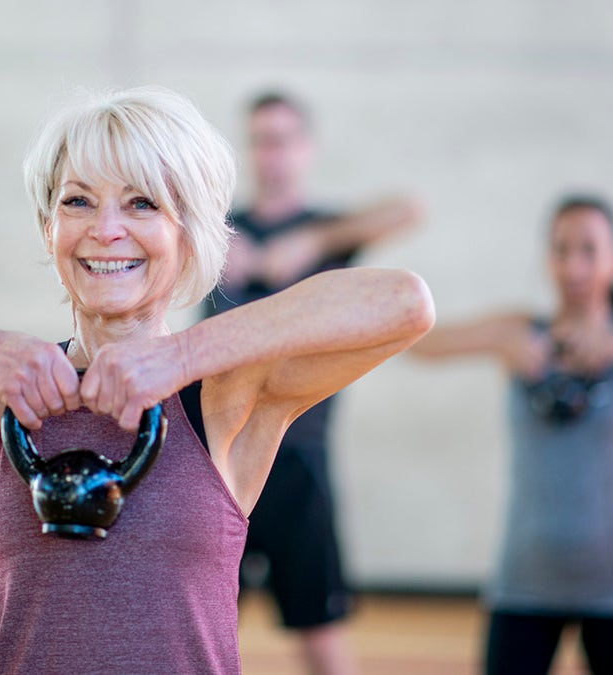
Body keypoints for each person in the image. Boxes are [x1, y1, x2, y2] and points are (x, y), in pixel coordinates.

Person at [0, 85, 435, 674]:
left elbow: (404, 302)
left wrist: (183, 355)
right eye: (78, 202)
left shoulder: (227, 396)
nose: (106, 230)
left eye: (140, 204)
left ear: (188, 233)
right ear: (50, 228)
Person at [409, 194, 613, 675]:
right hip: (524, 581)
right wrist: (508, 346)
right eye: (561, 250)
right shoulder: (520, 331)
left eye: (589, 250)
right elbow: (424, 345)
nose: (573, 265)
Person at [204, 91, 423, 673]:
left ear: (305, 149)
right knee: (196, 627)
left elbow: (408, 208)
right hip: (215, 460)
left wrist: (311, 242)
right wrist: (210, 237)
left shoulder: (328, 231)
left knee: (321, 636)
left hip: (298, 461)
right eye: (259, 140)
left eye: (280, 139)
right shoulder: (215, 233)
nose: (269, 154)